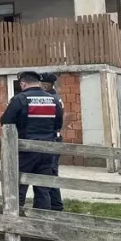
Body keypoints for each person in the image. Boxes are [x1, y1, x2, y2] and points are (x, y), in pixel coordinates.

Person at [0, 69, 63, 211]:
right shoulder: (53, 99)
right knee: (43, 188)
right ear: (39, 83)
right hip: (48, 149)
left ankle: (15, 219)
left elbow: (6, 121)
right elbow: (58, 124)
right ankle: (42, 222)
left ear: (23, 84)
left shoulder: (19, 99)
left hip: (25, 150)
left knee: (19, 186)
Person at [40, 72, 65, 211]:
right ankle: (54, 205)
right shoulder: (54, 98)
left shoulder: (52, 99)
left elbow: (56, 121)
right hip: (54, 137)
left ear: (45, 84)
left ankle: (55, 206)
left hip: (52, 139)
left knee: (51, 173)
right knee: (50, 172)